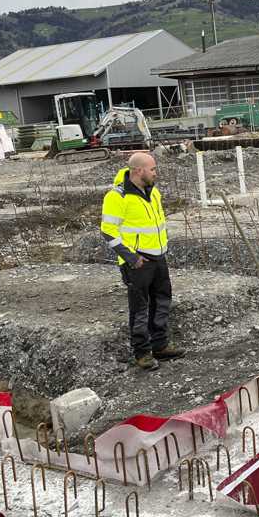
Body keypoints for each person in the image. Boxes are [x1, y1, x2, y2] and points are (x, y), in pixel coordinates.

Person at [101, 152, 185, 371]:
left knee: (162, 301)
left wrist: (162, 248)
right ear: (138, 170)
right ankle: (142, 353)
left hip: (158, 257)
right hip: (137, 262)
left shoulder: (153, 192)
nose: (156, 173)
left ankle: (160, 345)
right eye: (152, 169)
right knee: (140, 308)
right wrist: (131, 257)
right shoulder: (117, 197)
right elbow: (108, 231)